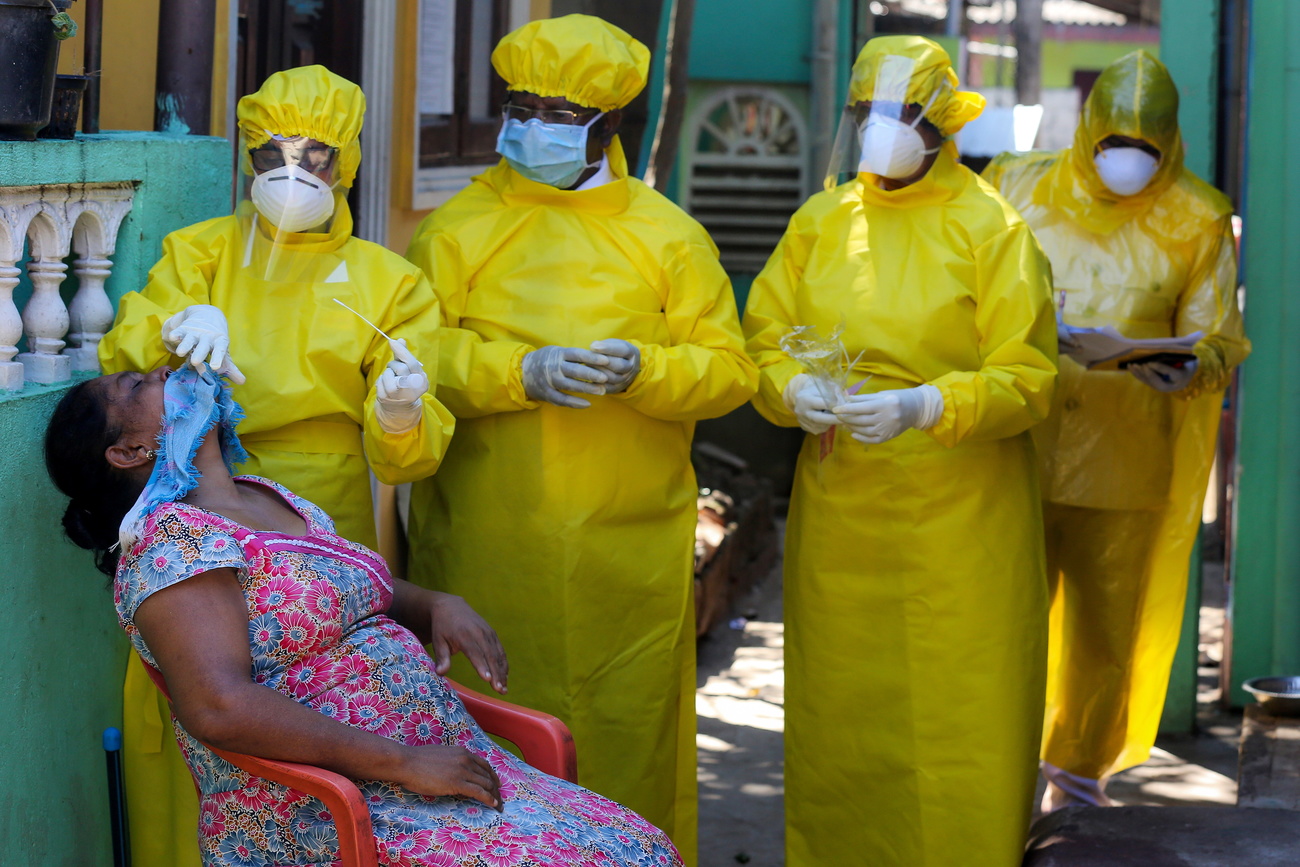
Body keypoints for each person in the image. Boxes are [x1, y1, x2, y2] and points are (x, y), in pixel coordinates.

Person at [43, 364, 684, 867]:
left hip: (443, 768)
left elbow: (344, 587)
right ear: (128, 451)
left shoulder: (264, 498)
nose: (166, 371)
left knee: (643, 849)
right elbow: (220, 708)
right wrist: (402, 763)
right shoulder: (174, 544)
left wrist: (434, 603)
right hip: (330, 805)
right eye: (139, 383)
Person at [403, 14, 758, 860]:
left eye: (558, 116)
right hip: (488, 543)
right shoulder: (455, 230)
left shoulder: (669, 236)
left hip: (624, 559)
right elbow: (408, 358)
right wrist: (515, 374)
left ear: (608, 127)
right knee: (488, 754)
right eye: (520, 107)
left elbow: (731, 370)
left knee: (623, 749)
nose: (529, 128)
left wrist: (648, 371)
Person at [97, 66, 457, 867]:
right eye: (270, 153)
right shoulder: (199, 255)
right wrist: (174, 332)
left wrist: (399, 412)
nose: (291, 173)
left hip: (318, 515)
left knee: (331, 703)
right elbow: (123, 368)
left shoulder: (388, 281)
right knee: (207, 696)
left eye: (316, 156)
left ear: (348, 161)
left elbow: (415, 451)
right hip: (194, 496)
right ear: (247, 158)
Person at [743, 35, 1057, 866]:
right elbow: (765, 340)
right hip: (844, 514)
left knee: (961, 719)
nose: (878, 131)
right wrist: (792, 391)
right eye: (865, 115)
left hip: (963, 526)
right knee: (843, 716)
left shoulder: (992, 228)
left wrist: (928, 403)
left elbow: (1028, 377)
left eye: (897, 115)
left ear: (939, 123)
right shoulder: (821, 220)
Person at [982, 50, 1250, 810]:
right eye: (1112, 144)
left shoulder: (1197, 216)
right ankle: (991, 762)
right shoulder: (1013, 185)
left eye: (1144, 149)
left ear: (1169, 145)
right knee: (1000, 617)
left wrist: (1184, 365)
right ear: (1087, 132)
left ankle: (1076, 776)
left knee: (1106, 632)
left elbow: (1216, 336)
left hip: (1126, 455)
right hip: (1014, 446)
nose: (1126, 161)